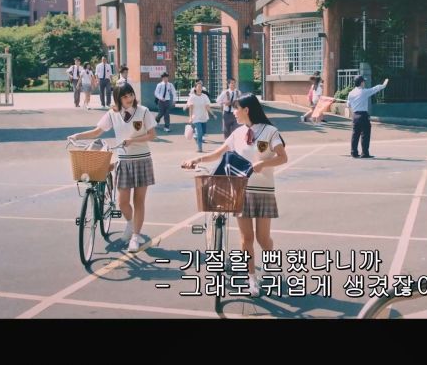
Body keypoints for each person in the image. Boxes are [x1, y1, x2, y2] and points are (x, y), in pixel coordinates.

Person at [182, 94, 288, 297]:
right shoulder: (237, 133)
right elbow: (219, 153)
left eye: (236, 108)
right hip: (241, 189)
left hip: (263, 191)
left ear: (246, 110)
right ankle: (251, 279)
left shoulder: (270, 131)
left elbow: (283, 157)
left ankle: (270, 266)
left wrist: (263, 163)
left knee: (263, 239)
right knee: (246, 238)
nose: (234, 113)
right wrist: (196, 159)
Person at [67, 83, 157, 253]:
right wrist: (77, 136)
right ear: (118, 99)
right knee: (122, 202)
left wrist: (133, 140)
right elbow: (97, 132)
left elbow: (152, 135)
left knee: (139, 201)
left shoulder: (143, 111)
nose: (129, 98)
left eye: (131, 94)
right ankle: (130, 223)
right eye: (125, 96)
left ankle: (135, 236)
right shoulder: (112, 114)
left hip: (142, 159)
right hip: (123, 161)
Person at [346, 75, 389, 158]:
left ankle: (354, 152)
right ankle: (365, 153)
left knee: (355, 135)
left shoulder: (351, 93)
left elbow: (348, 105)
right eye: (363, 81)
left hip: (355, 115)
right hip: (363, 115)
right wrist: (384, 85)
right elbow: (375, 89)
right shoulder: (364, 92)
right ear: (361, 83)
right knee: (365, 134)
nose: (364, 83)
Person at [186, 79, 216, 153]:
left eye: (201, 87)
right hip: (196, 117)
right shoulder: (192, 97)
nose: (200, 88)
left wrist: (212, 114)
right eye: (198, 87)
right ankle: (200, 148)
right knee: (200, 132)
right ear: (195, 88)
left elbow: (207, 106)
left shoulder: (204, 96)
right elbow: (191, 108)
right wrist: (190, 117)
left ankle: (196, 135)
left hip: (203, 117)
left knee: (203, 133)